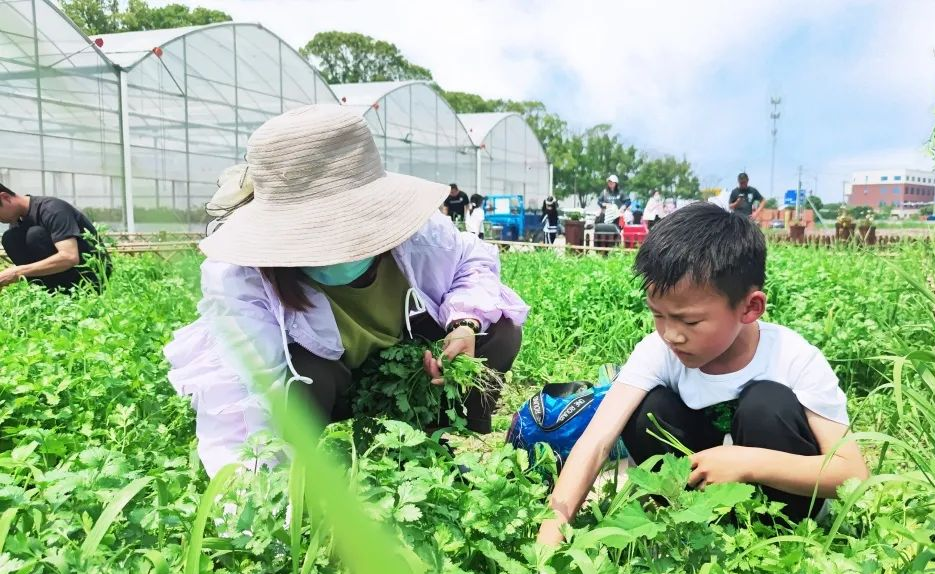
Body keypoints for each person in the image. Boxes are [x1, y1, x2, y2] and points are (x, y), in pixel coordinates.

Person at [164, 105, 529, 477]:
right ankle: (299, 464)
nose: (336, 245)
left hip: (406, 369)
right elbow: (244, 394)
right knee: (304, 377)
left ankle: (437, 440)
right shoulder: (242, 276)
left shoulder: (420, 235)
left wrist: (464, 324)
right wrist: (252, 504)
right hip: (330, 384)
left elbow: (475, 264)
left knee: (500, 331)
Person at [537, 203, 868, 545]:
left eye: (690, 321)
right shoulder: (657, 351)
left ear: (750, 307)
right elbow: (595, 442)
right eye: (658, 315)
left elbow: (852, 472)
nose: (671, 334)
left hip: (785, 515)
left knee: (766, 403)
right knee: (646, 410)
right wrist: (550, 537)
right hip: (697, 508)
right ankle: (692, 524)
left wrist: (747, 463)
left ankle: (772, 539)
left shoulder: (792, 357)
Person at [0, 183, 111, 293]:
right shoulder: (17, 221)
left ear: (5, 197)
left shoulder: (52, 209)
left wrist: (18, 272)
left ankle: (70, 293)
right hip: (61, 278)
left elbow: (70, 257)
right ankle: (46, 294)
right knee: (10, 239)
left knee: (34, 235)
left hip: (91, 276)